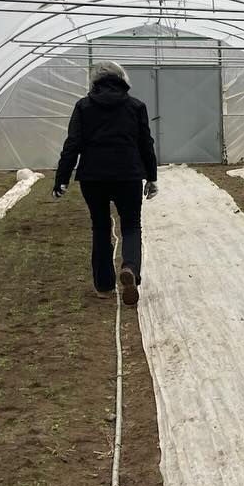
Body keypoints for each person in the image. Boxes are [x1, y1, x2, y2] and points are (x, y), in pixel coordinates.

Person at [53, 61, 158, 306]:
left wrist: (62, 178)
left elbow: (73, 144)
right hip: (128, 175)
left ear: (94, 81)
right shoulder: (135, 106)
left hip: (93, 177)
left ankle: (104, 286)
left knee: (100, 227)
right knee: (131, 226)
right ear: (123, 79)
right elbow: (146, 145)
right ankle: (130, 268)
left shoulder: (83, 107)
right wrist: (151, 177)